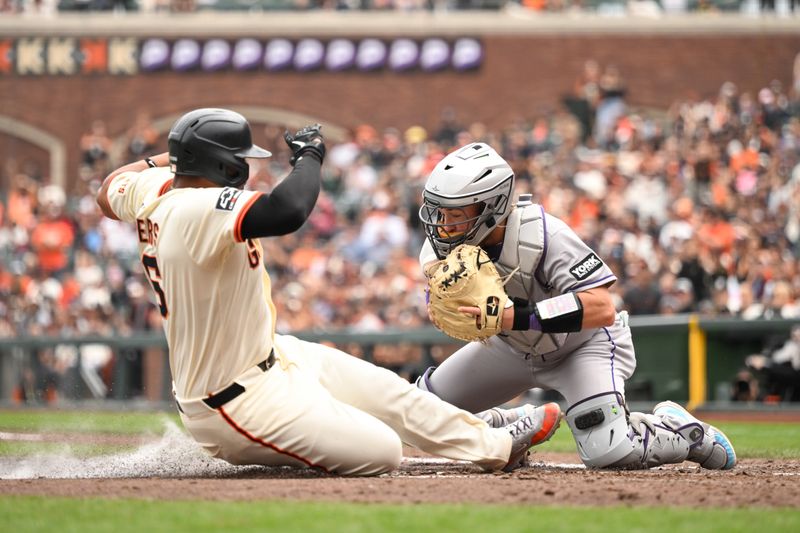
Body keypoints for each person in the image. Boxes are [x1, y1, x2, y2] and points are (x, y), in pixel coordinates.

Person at [95, 108, 561, 476]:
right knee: (381, 450)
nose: (248, 167)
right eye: (241, 159)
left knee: (387, 391)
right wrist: (310, 157)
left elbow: (110, 186)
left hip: (267, 357)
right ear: (221, 164)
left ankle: (491, 440)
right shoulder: (197, 207)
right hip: (232, 400)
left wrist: (171, 158)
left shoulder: (156, 189)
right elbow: (288, 209)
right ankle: (314, 431)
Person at [415, 141, 737, 470]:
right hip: (510, 348)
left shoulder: (542, 234)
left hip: (583, 346)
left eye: (455, 213)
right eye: (440, 212)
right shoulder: (442, 248)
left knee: (609, 452)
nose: (444, 224)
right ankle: (504, 424)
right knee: (417, 412)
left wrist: (518, 316)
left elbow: (601, 307)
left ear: (492, 205)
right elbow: (447, 292)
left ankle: (680, 430)